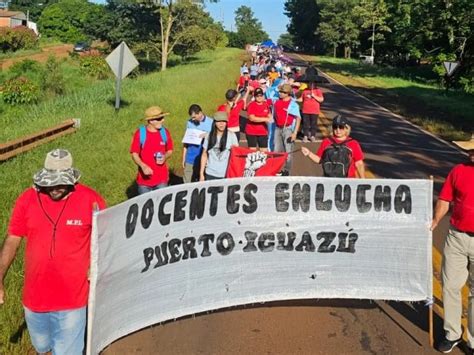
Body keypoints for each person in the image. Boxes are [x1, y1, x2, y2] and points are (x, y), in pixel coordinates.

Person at [0, 149, 106, 355]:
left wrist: (97, 271)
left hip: (73, 299)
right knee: (42, 346)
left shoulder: (91, 200)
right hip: (34, 299)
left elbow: (105, 239)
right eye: (50, 182)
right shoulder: (27, 200)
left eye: (61, 182)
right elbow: (12, 239)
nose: (55, 188)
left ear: (72, 179)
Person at [432, 135, 474, 354]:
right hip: (457, 236)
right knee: (450, 286)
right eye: (470, 150)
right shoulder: (458, 170)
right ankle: (452, 333)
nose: (470, 153)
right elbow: (445, 199)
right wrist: (436, 220)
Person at [301, 115, 365, 178]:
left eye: (341, 127)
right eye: (335, 127)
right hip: (329, 180)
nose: (338, 130)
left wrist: (363, 181)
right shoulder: (326, 141)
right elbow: (320, 160)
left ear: (346, 129)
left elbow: (359, 164)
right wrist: (309, 153)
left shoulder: (353, 143)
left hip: (348, 181)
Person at [130, 106, 173, 194]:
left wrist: (165, 157)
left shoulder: (165, 132)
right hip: (144, 182)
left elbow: (170, 150)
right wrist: (143, 166)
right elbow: (134, 153)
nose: (163, 120)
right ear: (151, 121)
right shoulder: (140, 133)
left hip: (162, 180)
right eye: (160, 118)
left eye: (163, 118)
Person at [199, 112, 239, 181]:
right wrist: (201, 174)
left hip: (225, 174)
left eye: (224, 121)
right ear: (214, 123)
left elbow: (236, 156)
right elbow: (204, 155)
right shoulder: (208, 136)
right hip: (210, 173)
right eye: (219, 121)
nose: (221, 124)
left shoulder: (232, 136)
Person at [273, 83, 301, 175]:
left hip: (288, 129)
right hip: (277, 128)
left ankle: (286, 171)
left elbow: (298, 118)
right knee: (276, 150)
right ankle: (276, 169)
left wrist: (295, 133)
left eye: (283, 92)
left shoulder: (293, 105)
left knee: (288, 151)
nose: (280, 93)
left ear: (288, 93)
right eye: (280, 91)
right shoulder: (276, 101)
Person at [182, 104, 213, 183]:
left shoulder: (211, 122)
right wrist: (183, 158)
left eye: (194, 117)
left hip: (204, 157)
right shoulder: (189, 123)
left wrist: (207, 135)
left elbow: (215, 138)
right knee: (187, 181)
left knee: (201, 181)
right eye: (191, 117)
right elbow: (186, 142)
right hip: (190, 157)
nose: (192, 119)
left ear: (200, 113)